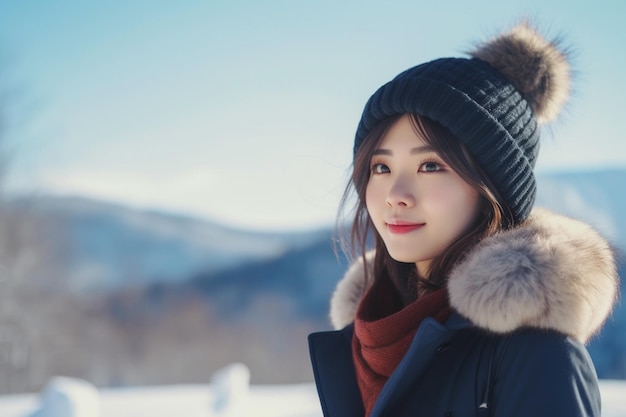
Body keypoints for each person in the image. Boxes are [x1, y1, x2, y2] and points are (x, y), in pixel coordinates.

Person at [308, 21, 619, 417]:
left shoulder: (535, 355)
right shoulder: (369, 342)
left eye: (431, 166)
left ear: (491, 187)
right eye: (380, 167)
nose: (396, 196)